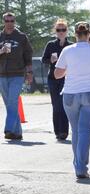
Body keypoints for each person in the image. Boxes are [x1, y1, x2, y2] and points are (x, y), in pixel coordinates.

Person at [54, 22, 90, 179]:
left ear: (75, 34)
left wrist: (70, 70)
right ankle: (80, 166)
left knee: (76, 130)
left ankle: (78, 164)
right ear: (89, 34)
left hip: (70, 93)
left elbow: (57, 74)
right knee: (85, 130)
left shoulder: (67, 50)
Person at [0, 12, 33, 141]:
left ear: (15, 21)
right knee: (9, 104)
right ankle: (17, 133)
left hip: (17, 74)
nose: (9, 23)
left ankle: (8, 129)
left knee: (13, 101)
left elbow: (28, 55)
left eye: (12, 21)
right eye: (7, 21)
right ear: (3, 21)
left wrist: (29, 73)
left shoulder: (21, 37)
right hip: (2, 75)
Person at [41, 18, 72, 141]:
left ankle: (64, 131)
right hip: (53, 78)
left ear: (66, 31)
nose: (61, 32)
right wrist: (51, 60)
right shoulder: (51, 44)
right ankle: (57, 131)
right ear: (55, 31)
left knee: (64, 105)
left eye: (63, 29)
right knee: (56, 105)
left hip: (66, 78)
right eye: (59, 30)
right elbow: (43, 60)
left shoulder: (70, 46)